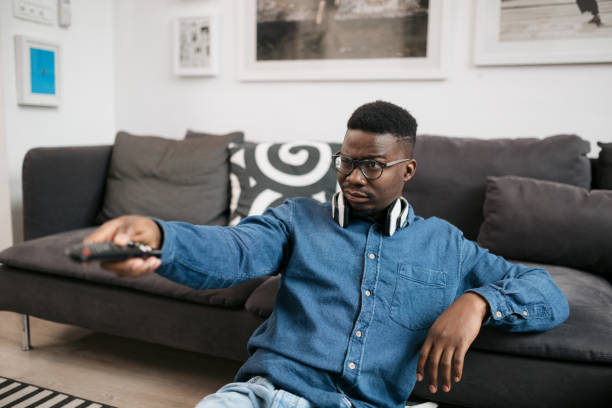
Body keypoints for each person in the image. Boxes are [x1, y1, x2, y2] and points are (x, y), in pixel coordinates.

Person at [85, 101, 569, 408]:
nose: (354, 177)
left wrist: (478, 303)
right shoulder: (296, 219)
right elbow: (233, 249)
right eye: (347, 163)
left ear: (408, 169)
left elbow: (546, 292)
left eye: (372, 166)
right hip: (260, 396)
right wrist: (160, 237)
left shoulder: (446, 245)